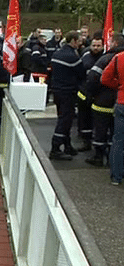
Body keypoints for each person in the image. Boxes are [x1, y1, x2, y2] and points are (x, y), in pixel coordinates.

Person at [85, 34, 124, 167]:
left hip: (103, 100)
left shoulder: (107, 58)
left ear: (115, 43)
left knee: (100, 129)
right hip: (119, 101)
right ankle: (113, 160)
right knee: (116, 133)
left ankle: (98, 156)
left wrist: (93, 94)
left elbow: (93, 78)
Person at [49, 31, 86, 160]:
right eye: (79, 41)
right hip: (68, 91)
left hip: (57, 90)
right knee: (65, 120)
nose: (81, 43)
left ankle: (67, 145)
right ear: (74, 41)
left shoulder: (57, 53)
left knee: (63, 117)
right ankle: (55, 147)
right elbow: (82, 74)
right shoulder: (73, 57)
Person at [101, 41, 124, 184]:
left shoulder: (118, 57)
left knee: (118, 141)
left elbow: (105, 78)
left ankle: (116, 176)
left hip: (122, 102)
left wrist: (119, 87)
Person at [77, 37, 104, 151]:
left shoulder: (105, 58)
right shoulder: (85, 56)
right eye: (94, 45)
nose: (96, 48)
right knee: (84, 120)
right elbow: (79, 73)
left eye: (98, 46)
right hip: (84, 93)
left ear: (102, 46)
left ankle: (98, 145)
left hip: (99, 95)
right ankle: (86, 142)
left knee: (99, 122)